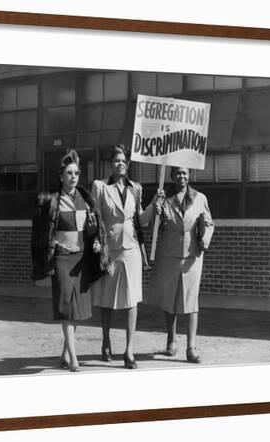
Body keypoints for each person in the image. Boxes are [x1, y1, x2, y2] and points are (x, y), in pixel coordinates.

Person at [31, 149, 109, 372]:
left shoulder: (86, 199)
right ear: (61, 176)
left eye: (76, 173)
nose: (73, 176)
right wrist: (49, 245)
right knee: (66, 304)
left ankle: (65, 353)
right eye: (69, 173)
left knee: (77, 308)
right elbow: (40, 230)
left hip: (82, 259)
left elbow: (93, 230)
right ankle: (74, 358)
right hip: (62, 259)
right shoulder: (51, 201)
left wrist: (96, 242)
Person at [91, 144, 164, 369]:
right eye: (116, 161)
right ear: (110, 164)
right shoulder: (100, 187)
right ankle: (105, 340)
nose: (120, 164)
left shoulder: (136, 188)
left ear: (128, 164)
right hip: (109, 250)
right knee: (107, 300)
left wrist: (154, 205)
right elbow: (94, 218)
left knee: (132, 300)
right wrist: (95, 241)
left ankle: (129, 350)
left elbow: (140, 220)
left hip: (131, 251)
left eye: (123, 161)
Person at [146, 166, 214, 363]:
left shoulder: (200, 198)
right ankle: (171, 339)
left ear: (189, 175)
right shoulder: (163, 198)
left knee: (192, 302)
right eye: (177, 173)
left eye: (184, 173)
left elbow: (209, 224)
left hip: (192, 256)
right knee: (171, 299)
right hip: (168, 256)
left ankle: (191, 347)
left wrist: (205, 240)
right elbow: (153, 228)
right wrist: (156, 212)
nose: (181, 176)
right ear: (172, 176)